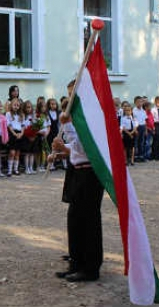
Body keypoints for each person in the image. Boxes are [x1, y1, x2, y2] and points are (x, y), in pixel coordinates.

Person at [50, 79, 105, 283]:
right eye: (69, 93)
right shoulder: (78, 118)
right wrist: (63, 151)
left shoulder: (92, 118)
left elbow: (90, 148)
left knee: (88, 220)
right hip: (78, 172)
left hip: (90, 174)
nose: (71, 98)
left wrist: (65, 149)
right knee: (75, 219)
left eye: (74, 93)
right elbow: (77, 147)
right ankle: (76, 261)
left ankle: (90, 267)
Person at [6, 98, 25, 176]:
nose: (16, 107)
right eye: (14, 105)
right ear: (11, 105)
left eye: (18, 105)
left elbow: (23, 126)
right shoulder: (8, 114)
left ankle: (15, 169)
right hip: (12, 133)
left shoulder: (21, 115)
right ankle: (9, 170)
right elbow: (9, 125)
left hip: (20, 133)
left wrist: (21, 133)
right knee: (12, 152)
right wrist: (14, 133)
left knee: (17, 153)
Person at [132, 96, 147, 162]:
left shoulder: (143, 111)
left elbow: (144, 121)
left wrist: (146, 130)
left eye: (141, 102)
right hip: (136, 128)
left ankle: (141, 156)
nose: (140, 103)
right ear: (135, 103)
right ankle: (135, 156)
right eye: (138, 102)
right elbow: (133, 121)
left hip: (142, 127)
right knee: (136, 143)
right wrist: (135, 129)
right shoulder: (133, 111)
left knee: (141, 142)